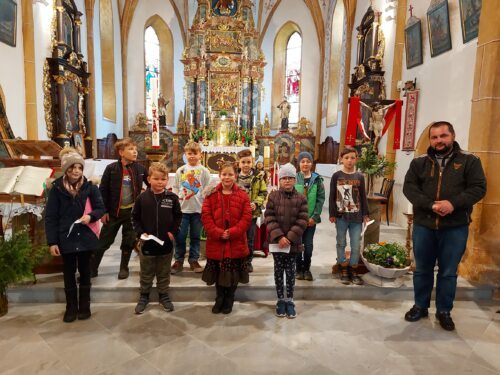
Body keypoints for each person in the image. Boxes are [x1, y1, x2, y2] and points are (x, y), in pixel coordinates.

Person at [403, 121, 486, 331]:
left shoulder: (469, 160)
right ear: (430, 139)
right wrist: (430, 205)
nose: (439, 141)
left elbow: (478, 188)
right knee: (422, 270)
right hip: (424, 225)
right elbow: (409, 188)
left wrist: (453, 204)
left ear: (452, 136)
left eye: (443, 136)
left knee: (448, 272)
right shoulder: (419, 162)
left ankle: (444, 311)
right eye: (434, 137)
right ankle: (420, 306)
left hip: (455, 226)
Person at [45, 148, 105, 322]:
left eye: (79, 167)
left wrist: (91, 216)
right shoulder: (56, 189)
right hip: (66, 238)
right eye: (72, 168)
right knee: (69, 273)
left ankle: (84, 306)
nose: (76, 171)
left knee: (85, 271)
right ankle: (71, 307)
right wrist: (52, 242)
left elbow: (100, 208)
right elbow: (51, 217)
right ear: (66, 169)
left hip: (86, 237)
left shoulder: (90, 186)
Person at [92, 138, 149, 279]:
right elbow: (103, 190)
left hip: (132, 213)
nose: (135, 152)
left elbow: (151, 185)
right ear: (121, 152)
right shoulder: (111, 169)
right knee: (103, 241)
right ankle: (92, 269)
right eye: (130, 149)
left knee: (128, 241)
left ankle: (124, 268)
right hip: (113, 213)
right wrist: (103, 211)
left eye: (135, 149)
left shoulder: (140, 169)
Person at [201, 161, 252, 314]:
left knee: (233, 273)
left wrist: (234, 231)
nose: (227, 177)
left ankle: (230, 297)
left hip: (236, 241)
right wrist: (217, 232)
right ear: (219, 176)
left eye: (230, 174)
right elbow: (206, 216)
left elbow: (247, 217)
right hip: (217, 242)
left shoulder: (242, 195)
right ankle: (219, 297)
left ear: (236, 176)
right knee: (219, 272)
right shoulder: (211, 195)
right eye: (224, 174)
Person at [132, 163, 182, 314]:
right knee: (146, 272)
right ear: (149, 179)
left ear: (167, 180)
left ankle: (163, 295)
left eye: (163, 179)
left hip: (166, 243)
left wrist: (173, 232)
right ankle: (144, 296)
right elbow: (135, 217)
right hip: (147, 243)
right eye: (156, 179)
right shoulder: (142, 198)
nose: (160, 182)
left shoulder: (171, 198)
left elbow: (178, 216)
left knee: (164, 271)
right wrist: (140, 233)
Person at [265, 163, 308, 318]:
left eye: (290, 178)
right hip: (277, 243)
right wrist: (279, 237)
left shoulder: (301, 198)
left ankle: (289, 300)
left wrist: (288, 238)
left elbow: (302, 220)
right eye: (284, 178)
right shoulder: (273, 196)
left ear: (295, 179)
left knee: (290, 272)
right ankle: (280, 300)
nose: (288, 181)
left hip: (293, 243)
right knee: (278, 271)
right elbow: (269, 217)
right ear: (280, 180)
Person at [329, 147, 369, 285]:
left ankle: (353, 268)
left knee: (356, 244)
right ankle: (342, 266)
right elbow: (332, 195)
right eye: (346, 158)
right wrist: (332, 213)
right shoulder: (336, 176)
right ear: (341, 159)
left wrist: (365, 214)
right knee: (341, 242)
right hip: (341, 216)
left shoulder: (359, 177)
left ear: (356, 159)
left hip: (356, 217)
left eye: (352, 158)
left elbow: (363, 197)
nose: (349, 160)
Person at [171, 141, 211, 274]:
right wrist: (177, 201)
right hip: (182, 209)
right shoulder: (181, 170)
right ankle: (179, 260)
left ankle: (193, 259)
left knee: (195, 236)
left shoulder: (204, 171)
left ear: (200, 154)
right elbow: (176, 187)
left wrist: (204, 200)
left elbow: (208, 188)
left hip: (197, 209)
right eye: (189, 153)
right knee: (180, 236)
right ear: (185, 155)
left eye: (195, 153)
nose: (192, 156)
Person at [294, 151, 325, 281]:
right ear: (299, 163)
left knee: (308, 245)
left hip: (310, 220)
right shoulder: (294, 178)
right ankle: (298, 268)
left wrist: (314, 217)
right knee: (297, 245)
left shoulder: (317, 179)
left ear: (312, 163)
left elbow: (320, 199)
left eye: (308, 161)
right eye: (303, 161)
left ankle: (307, 268)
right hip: (296, 220)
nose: (305, 164)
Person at [236, 149, 268, 272]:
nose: (246, 165)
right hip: (237, 215)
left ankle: (248, 261)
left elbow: (263, 192)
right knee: (239, 238)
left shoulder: (259, 177)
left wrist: (256, 203)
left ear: (253, 162)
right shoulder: (234, 177)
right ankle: (239, 261)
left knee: (249, 239)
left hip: (252, 214)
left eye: (248, 162)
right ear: (239, 163)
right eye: (243, 162)